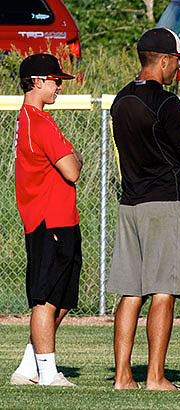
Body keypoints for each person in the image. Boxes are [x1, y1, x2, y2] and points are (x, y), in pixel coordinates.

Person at [108, 28, 180, 391]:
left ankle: (123, 376)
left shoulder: (121, 99)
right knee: (163, 290)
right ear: (165, 59)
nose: (177, 70)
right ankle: (155, 376)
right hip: (164, 204)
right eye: (176, 62)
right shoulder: (167, 102)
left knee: (130, 292)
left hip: (130, 203)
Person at [10, 53, 82, 387]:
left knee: (63, 298)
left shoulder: (31, 119)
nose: (58, 87)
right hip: (47, 220)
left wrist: (72, 156)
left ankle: (28, 366)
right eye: (54, 81)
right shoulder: (38, 121)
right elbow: (72, 169)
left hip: (60, 218)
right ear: (37, 82)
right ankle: (49, 373)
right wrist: (76, 156)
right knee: (44, 298)